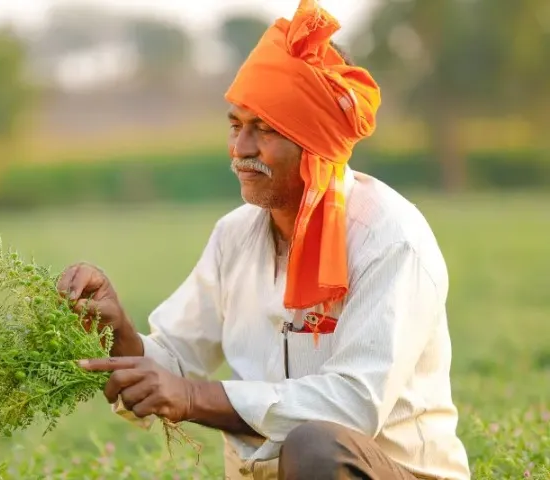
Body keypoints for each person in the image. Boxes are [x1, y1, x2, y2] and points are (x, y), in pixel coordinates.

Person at [57, 1, 471, 479]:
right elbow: (173, 360)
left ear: (313, 143)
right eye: (235, 126)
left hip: (393, 473)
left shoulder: (391, 240)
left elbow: (352, 407)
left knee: (316, 447)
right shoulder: (234, 236)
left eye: (264, 130)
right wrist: (119, 332)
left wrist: (195, 397)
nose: (240, 150)